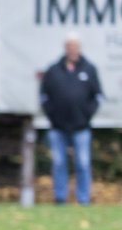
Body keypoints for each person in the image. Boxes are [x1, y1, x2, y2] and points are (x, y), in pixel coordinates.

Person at [39, 33, 102, 205]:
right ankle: (60, 198)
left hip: (81, 127)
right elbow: (43, 97)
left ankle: (83, 198)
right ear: (65, 48)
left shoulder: (89, 69)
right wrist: (52, 115)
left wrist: (86, 114)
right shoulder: (53, 70)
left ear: (79, 48)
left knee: (82, 163)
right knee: (59, 163)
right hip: (58, 127)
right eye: (69, 46)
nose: (72, 49)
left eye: (75, 46)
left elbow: (98, 96)